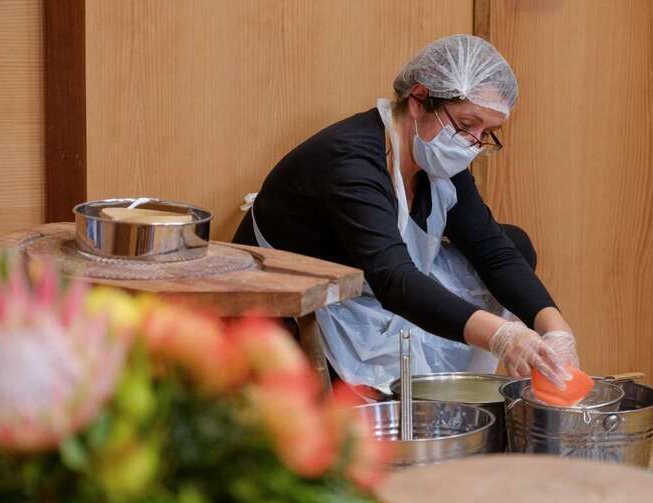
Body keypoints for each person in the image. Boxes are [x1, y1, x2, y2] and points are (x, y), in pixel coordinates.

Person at [234, 35, 578, 393]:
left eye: (486, 133)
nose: (472, 144)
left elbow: (492, 248)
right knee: (369, 400)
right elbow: (394, 279)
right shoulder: (350, 162)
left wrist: (555, 328)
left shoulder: (438, 151)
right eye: (466, 124)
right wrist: (503, 336)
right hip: (309, 297)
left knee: (514, 244)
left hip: (372, 280)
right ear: (418, 100)